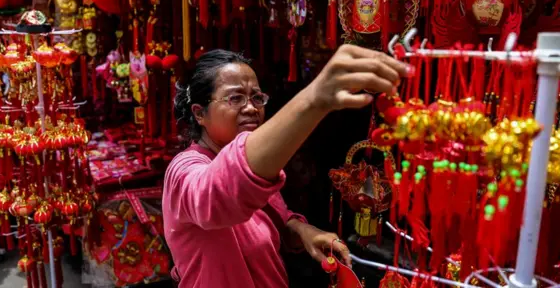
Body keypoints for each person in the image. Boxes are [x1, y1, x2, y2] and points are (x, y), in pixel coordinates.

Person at [164, 45, 413, 287]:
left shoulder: (260, 161)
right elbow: (221, 193)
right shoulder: (184, 170)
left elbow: (270, 216)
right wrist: (312, 99)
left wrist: (301, 230)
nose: (251, 108)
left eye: (257, 97)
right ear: (199, 113)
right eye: (235, 98)